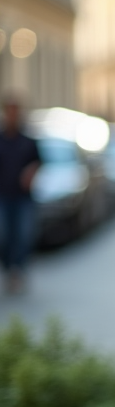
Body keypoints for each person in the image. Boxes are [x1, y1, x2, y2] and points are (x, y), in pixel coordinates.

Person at [0, 95, 41, 294]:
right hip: (3, 197)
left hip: (24, 198)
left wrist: (31, 172)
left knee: (23, 236)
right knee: (5, 235)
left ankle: (19, 270)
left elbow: (39, 161)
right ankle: (9, 270)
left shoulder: (28, 140)